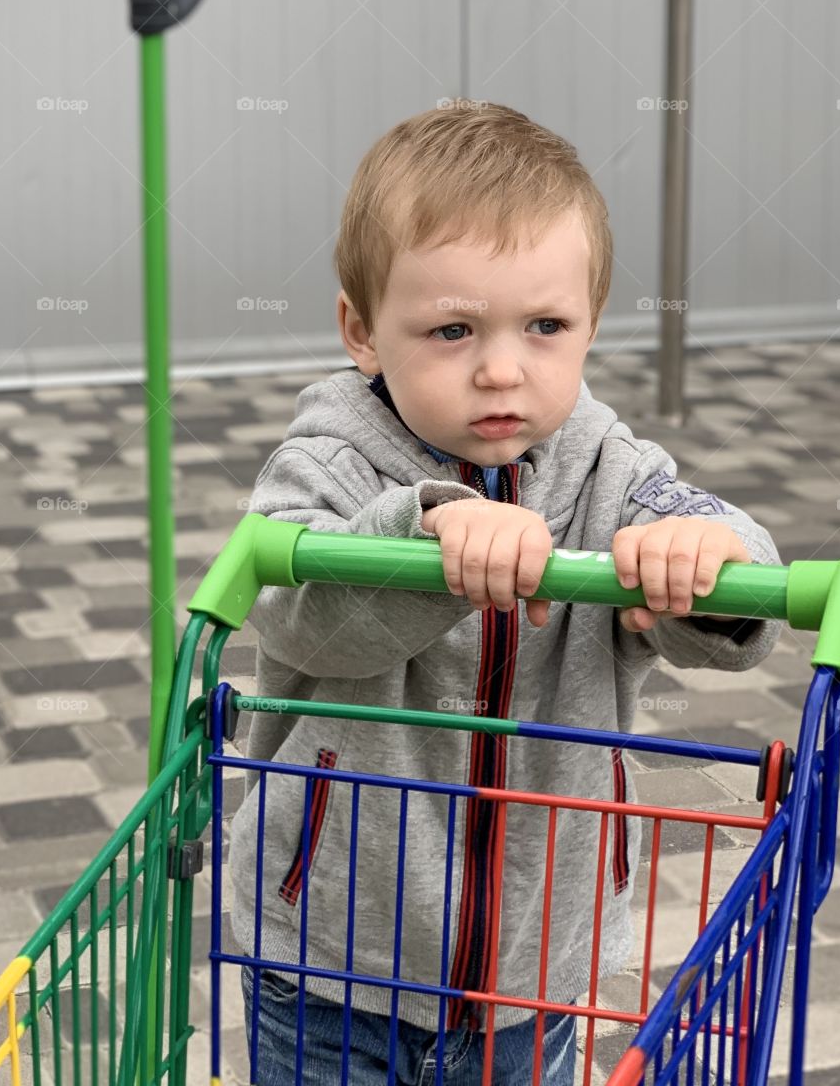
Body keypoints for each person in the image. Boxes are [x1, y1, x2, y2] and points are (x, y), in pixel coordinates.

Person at [228, 103, 783, 1084]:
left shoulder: (610, 470)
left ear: (591, 327)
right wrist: (426, 528)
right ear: (362, 331)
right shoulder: (327, 464)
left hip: (534, 965)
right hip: (327, 963)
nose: (501, 367)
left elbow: (729, 556)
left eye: (545, 325)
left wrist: (702, 557)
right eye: (451, 328)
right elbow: (292, 595)